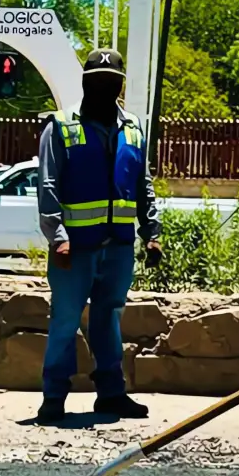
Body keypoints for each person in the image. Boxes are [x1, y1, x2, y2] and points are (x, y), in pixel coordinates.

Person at [34, 48, 161, 425]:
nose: (104, 87)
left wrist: (151, 231)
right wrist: (57, 236)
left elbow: (143, 184)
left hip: (118, 247)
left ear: (120, 85)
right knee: (65, 321)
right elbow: (48, 183)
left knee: (109, 320)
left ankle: (111, 395)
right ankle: (53, 398)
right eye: (97, 81)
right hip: (74, 248)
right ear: (86, 84)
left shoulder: (134, 128)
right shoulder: (60, 126)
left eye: (111, 81)